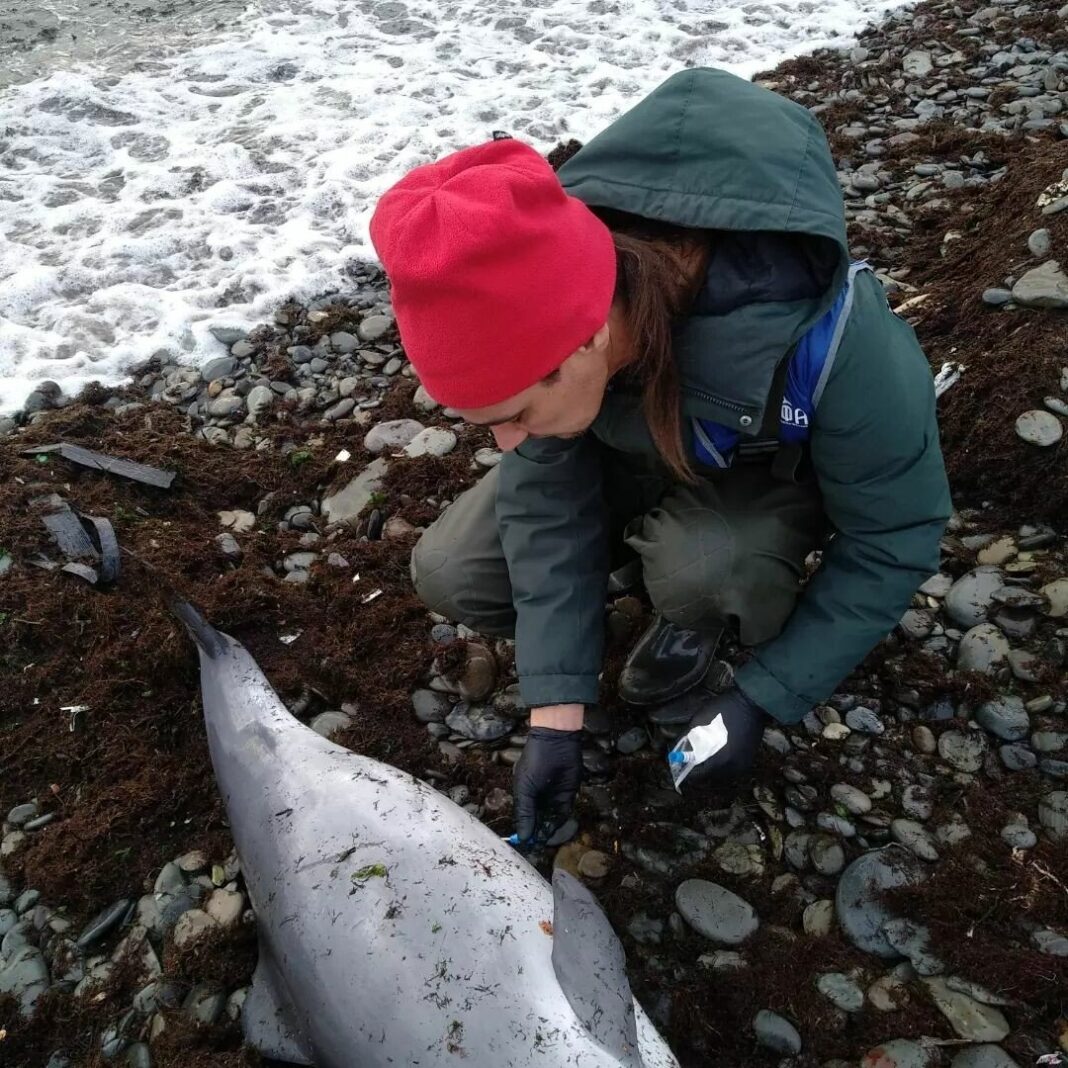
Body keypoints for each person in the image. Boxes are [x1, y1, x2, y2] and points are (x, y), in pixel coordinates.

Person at [369, 66, 952, 847]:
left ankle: (694, 616)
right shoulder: (557, 290)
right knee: (454, 569)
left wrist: (763, 696)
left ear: (586, 342)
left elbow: (896, 536)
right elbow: (545, 503)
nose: (504, 443)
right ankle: (641, 577)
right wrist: (556, 719)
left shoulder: (842, 341)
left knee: (705, 567)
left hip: (757, 475)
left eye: (510, 416)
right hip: (636, 445)